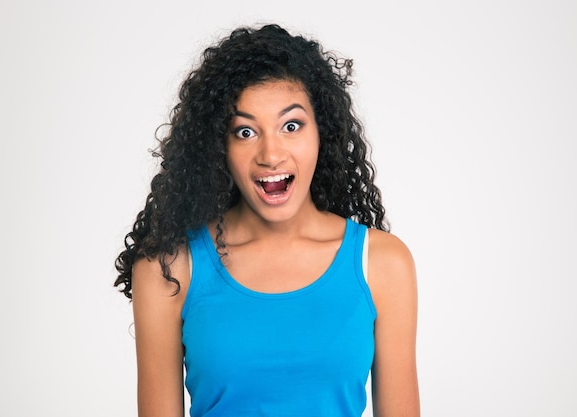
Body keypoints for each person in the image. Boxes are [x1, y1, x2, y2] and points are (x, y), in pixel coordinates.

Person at [115, 23, 419, 417]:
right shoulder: (170, 268)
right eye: (244, 132)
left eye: (291, 126)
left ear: (321, 133)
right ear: (217, 146)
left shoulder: (382, 263)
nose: (270, 154)